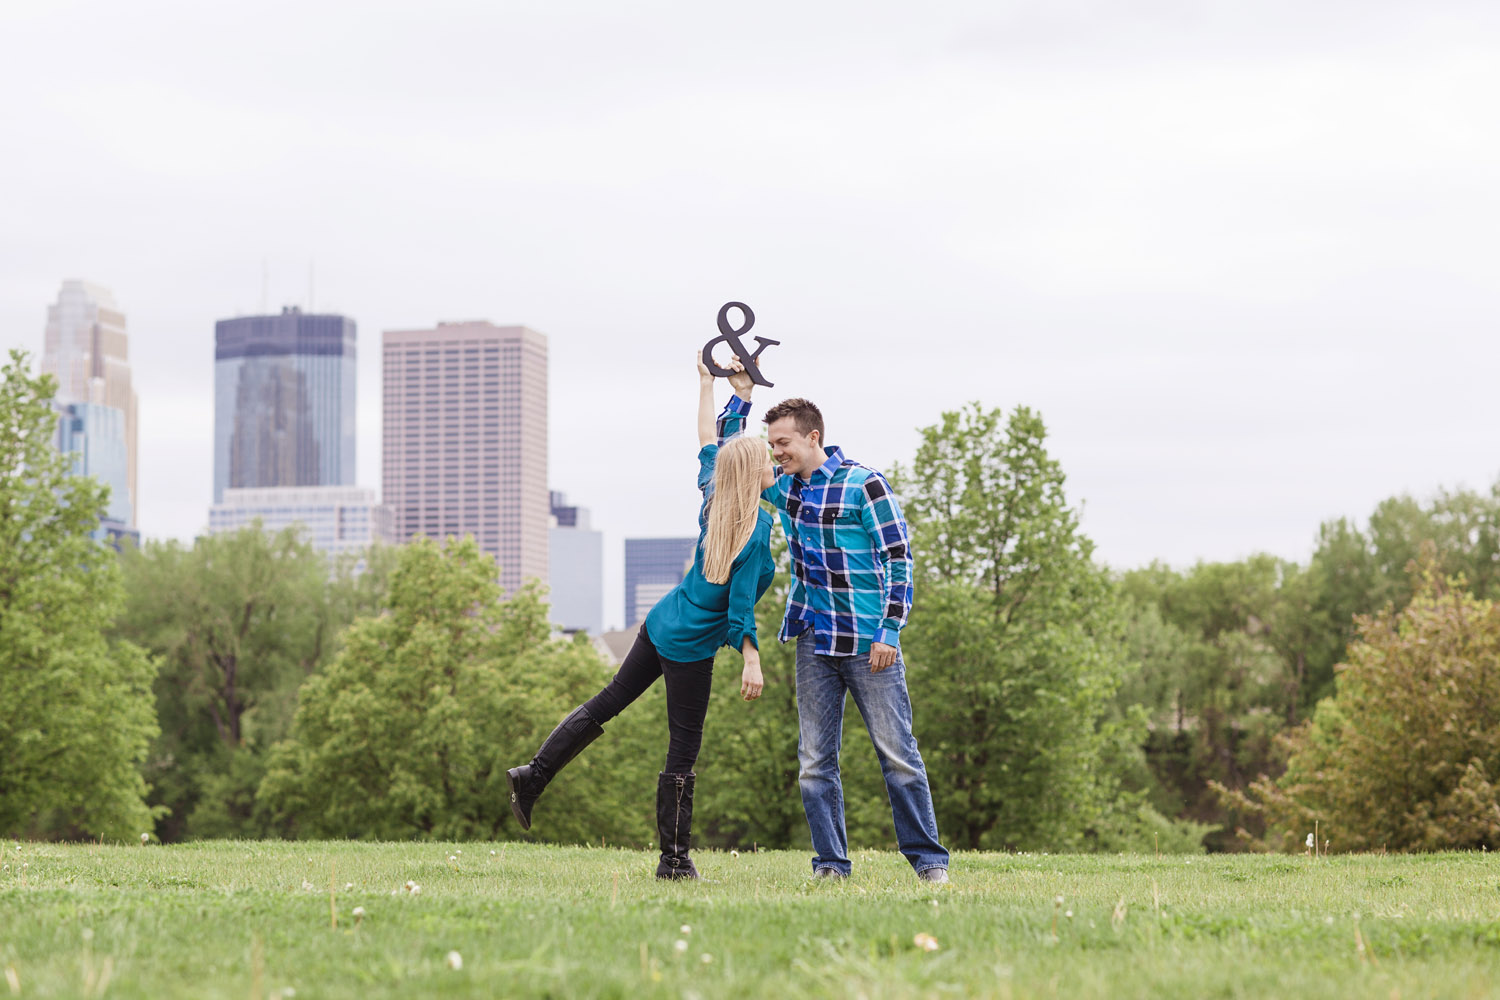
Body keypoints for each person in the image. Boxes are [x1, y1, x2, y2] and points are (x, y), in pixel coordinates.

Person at [506, 356, 776, 879]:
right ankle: (674, 862)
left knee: (608, 701)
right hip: (690, 645)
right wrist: (751, 659)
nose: (774, 465)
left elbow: (710, 439)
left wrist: (712, 385)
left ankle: (532, 776)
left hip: (661, 622)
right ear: (755, 476)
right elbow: (741, 612)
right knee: (683, 751)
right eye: (768, 461)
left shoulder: (714, 499)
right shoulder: (756, 530)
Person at [718, 380, 950, 883]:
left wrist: (891, 629)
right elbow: (731, 450)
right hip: (815, 642)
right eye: (771, 444)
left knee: (898, 756)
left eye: (783, 443)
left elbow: (898, 559)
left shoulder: (865, 485)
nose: (774, 453)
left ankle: (929, 863)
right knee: (815, 763)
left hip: (872, 646)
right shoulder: (786, 490)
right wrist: (740, 394)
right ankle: (830, 866)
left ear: (813, 437)